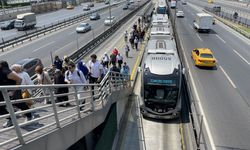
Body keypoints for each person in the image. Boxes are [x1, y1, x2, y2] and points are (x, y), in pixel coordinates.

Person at [0, 61, 33, 128]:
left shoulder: (5, 71)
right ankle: (11, 119)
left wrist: (13, 90)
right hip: (4, 92)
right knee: (1, 107)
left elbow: (19, 79)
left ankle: (29, 116)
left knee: (19, 104)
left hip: (12, 91)